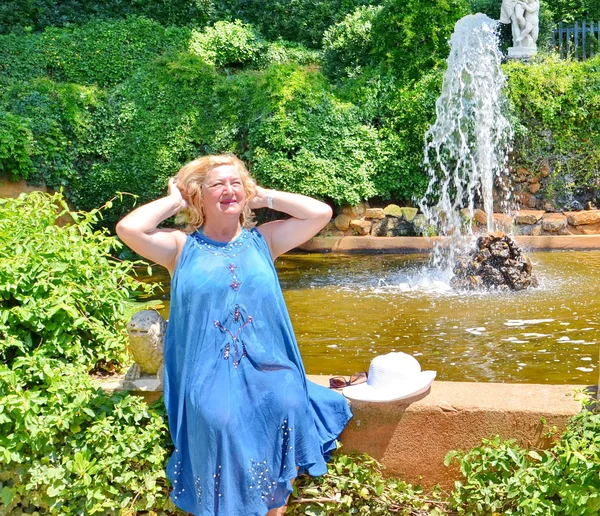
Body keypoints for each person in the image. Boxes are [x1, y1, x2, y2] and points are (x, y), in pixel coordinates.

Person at [116, 154, 352, 516]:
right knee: (219, 421)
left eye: (236, 183)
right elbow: (128, 229)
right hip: (207, 372)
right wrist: (174, 201)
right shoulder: (180, 248)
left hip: (268, 367)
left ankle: (274, 508)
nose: (229, 190)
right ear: (199, 196)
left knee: (288, 403)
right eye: (217, 184)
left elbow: (319, 213)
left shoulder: (265, 240)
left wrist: (263, 195)